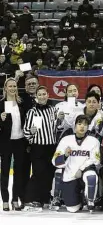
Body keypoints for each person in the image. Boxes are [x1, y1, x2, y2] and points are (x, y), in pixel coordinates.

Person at [52, 115, 101, 213]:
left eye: (85, 124)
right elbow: (55, 161)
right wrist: (65, 155)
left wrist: (81, 169)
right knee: (72, 209)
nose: (82, 126)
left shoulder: (94, 141)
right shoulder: (65, 140)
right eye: (79, 124)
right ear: (74, 126)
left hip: (85, 171)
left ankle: (90, 201)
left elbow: (95, 160)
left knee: (91, 176)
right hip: (70, 175)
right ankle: (79, 200)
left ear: (88, 127)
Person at [22, 86, 57, 210]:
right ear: (36, 97)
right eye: (39, 94)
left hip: (51, 147)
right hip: (37, 147)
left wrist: (61, 120)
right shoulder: (32, 112)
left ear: (48, 95)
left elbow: (57, 128)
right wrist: (31, 131)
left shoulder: (53, 110)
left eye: (44, 94)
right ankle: (29, 199)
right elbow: (26, 132)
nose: (42, 96)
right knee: (38, 173)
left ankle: (45, 199)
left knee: (49, 174)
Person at [0, 78, 30, 211]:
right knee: (5, 171)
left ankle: (15, 199)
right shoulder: (1, 104)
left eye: (15, 86)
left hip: (20, 141)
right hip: (6, 142)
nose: (13, 88)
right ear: (5, 88)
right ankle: (5, 200)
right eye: (10, 86)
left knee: (19, 172)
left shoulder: (21, 103)